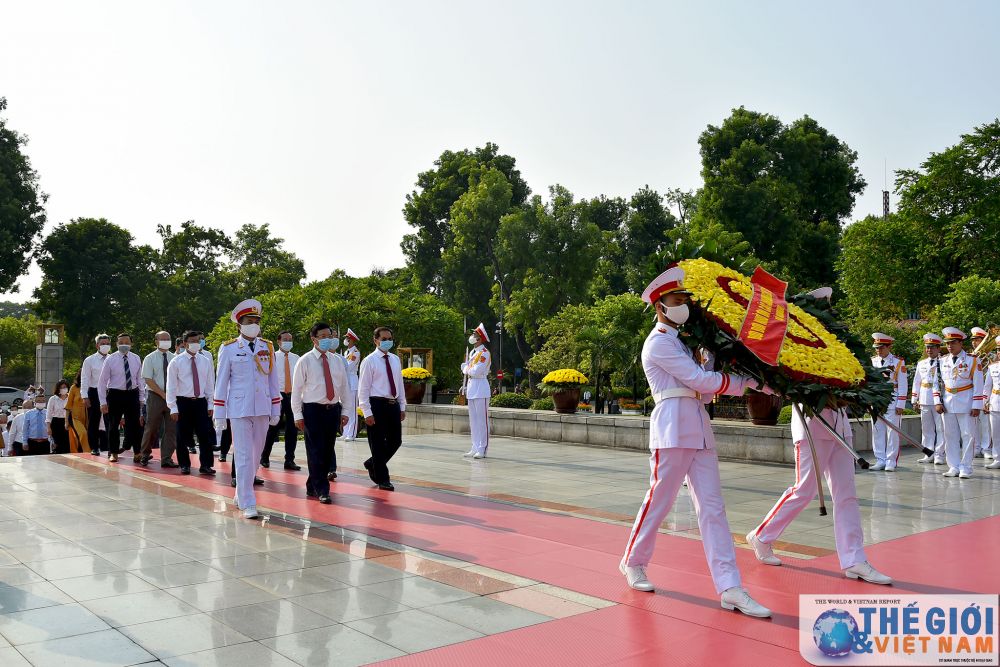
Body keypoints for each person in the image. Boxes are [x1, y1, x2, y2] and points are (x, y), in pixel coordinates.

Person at [619, 265, 772, 618]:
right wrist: (739, 381)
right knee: (660, 500)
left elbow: (702, 391)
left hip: (697, 428)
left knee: (713, 508)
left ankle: (730, 586)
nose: (684, 305)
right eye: (677, 300)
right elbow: (696, 381)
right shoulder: (658, 343)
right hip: (672, 427)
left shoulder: (682, 344)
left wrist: (725, 368)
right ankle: (633, 560)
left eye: (685, 300)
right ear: (660, 306)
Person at [747, 404, 892, 584]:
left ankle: (854, 559)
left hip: (840, 428)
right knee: (804, 490)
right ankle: (761, 536)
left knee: (847, 495)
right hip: (812, 426)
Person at [214, 299, 281, 519]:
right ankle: (248, 501)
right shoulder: (229, 348)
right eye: (249, 321)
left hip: (262, 406)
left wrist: (275, 408)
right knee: (242, 455)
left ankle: (240, 493)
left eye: (256, 321)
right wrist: (219, 413)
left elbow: (273, 380)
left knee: (256, 455)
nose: (254, 325)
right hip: (239, 408)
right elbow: (221, 382)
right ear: (239, 325)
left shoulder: (267, 346)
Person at [291, 323, 349, 504]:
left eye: (329, 336)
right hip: (312, 410)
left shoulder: (338, 360)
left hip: (332, 410)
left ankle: (312, 484)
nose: (327, 339)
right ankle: (322, 489)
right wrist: (297, 415)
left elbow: (345, 387)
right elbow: (296, 390)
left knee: (326, 450)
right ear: (313, 339)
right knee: (315, 450)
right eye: (322, 336)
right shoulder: (305, 360)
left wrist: (346, 411)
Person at [358, 326, 406, 492]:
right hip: (376, 404)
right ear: (376, 340)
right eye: (384, 339)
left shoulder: (394, 359)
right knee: (377, 443)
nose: (387, 342)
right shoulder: (369, 361)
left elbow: (399, 383)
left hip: (393, 404)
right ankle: (383, 478)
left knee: (396, 441)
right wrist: (367, 412)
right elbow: (363, 389)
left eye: (389, 339)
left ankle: (372, 463)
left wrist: (402, 405)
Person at [167, 330, 217, 475]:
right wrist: (173, 407)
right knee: (182, 435)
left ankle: (206, 465)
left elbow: (209, 384)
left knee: (205, 435)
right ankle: (184, 464)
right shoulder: (176, 362)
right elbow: (171, 386)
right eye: (193, 341)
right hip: (183, 402)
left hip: (201, 402)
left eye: (198, 340)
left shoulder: (205, 361)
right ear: (184, 343)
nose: (196, 344)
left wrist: (210, 404)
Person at [936, 327, 984, 479]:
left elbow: (978, 384)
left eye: (953, 343)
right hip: (948, 401)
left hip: (967, 401)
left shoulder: (972, 360)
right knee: (950, 435)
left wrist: (977, 405)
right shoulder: (942, 361)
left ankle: (966, 467)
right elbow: (936, 383)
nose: (950, 346)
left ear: (961, 343)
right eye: (948, 343)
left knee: (968, 435)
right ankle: (954, 466)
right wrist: (937, 401)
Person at [98, 333, 145, 463]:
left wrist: (141, 398)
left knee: (135, 425)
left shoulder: (136, 358)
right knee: (113, 425)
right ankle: (113, 452)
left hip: (132, 394)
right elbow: (102, 382)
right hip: (115, 394)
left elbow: (140, 380)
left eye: (127, 342)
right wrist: (102, 402)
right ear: (117, 344)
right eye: (121, 342)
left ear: (131, 344)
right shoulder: (110, 359)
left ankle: (137, 452)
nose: (124, 344)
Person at [262, 331, 300, 470]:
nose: (288, 342)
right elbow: (267, 378)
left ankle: (289, 460)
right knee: (273, 428)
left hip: (293, 396)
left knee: (293, 429)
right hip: (277, 397)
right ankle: (264, 456)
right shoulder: (272, 357)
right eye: (285, 339)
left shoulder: (296, 358)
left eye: (290, 339)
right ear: (278, 341)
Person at [869, 333, 908, 471]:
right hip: (876, 401)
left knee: (892, 432)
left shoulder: (898, 362)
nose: (878, 350)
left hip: (892, 400)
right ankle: (880, 459)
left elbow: (903, 384)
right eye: (876, 348)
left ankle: (891, 460)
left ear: (889, 347)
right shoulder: (872, 361)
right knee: (877, 430)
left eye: (881, 347)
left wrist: (901, 404)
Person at [139, 331, 177, 468]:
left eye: (168, 338)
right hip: (155, 396)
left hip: (172, 396)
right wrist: (162, 393)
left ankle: (166, 458)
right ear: (156, 341)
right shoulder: (150, 358)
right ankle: (144, 454)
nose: (166, 341)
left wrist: (170, 395)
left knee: (171, 428)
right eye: (163, 339)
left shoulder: (175, 357)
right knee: (152, 426)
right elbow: (148, 379)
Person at [912, 333, 945, 465]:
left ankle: (939, 454)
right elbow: (917, 382)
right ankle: (928, 453)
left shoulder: (943, 362)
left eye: (932, 347)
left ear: (938, 349)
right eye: (927, 347)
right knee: (926, 429)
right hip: (925, 398)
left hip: (938, 399)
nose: (929, 350)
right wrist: (915, 399)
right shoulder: (921, 363)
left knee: (940, 429)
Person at [461, 323, 492, 459]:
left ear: (479, 338)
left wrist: (466, 369)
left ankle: (482, 448)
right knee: (473, 420)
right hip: (472, 387)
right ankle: (474, 446)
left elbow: (475, 370)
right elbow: (466, 368)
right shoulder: (473, 352)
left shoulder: (484, 353)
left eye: (474, 335)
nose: (471, 337)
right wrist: (467, 370)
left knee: (481, 421)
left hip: (481, 388)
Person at [81, 334, 112, 455]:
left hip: (110, 392)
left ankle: (111, 448)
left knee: (110, 421)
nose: (105, 346)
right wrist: (84, 396)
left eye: (107, 343)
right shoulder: (89, 360)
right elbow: (85, 379)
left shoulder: (113, 358)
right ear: (97, 345)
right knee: (94, 421)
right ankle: (94, 447)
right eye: (102, 343)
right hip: (94, 392)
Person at [970, 327, 993, 459]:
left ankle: (986, 448)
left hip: (985, 392)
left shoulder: (991, 357)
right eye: (973, 340)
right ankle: (976, 447)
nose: (974, 343)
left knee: (985, 423)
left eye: (977, 340)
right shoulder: (969, 355)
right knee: (973, 422)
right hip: (970, 392)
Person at [981, 334, 1000, 471]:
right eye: (998, 350)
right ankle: (997, 458)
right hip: (996, 402)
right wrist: (984, 402)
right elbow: (987, 386)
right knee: (996, 433)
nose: (999, 353)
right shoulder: (993, 367)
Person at [341, 329, 361, 441]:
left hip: (352, 381)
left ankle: (351, 434)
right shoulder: (346, 352)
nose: (345, 340)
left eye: (347, 339)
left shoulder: (355, 353)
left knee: (352, 409)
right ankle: (345, 432)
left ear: (352, 340)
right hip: (346, 382)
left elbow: (348, 367)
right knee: (346, 408)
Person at [66, 372, 89, 454]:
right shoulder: (74, 388)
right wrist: (66, 422)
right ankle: (87, 453)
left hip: (88, 417)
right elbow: (68, 406)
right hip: (75, 417)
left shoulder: (91, 388)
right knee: (83, 433)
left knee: (86, 436)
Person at [45, 380, 71, 454]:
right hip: (56, 423)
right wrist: (48, 427)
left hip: (68, 423)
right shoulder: (53, 399)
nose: (64, 389)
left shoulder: (70, 398)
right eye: (61, 387)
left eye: (65, 387)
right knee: (57, 445)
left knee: (67, 445)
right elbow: (49, 414)